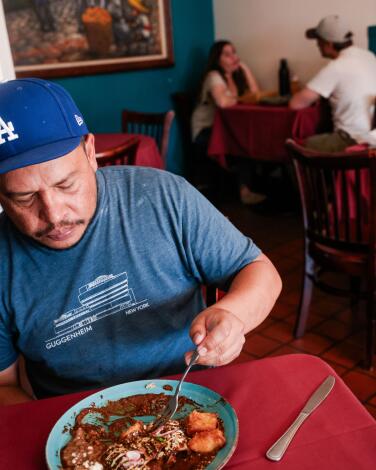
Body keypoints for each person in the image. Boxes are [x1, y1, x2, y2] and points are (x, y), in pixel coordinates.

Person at [0, 78, 282, 405]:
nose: (53, 214)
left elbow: (259, 270)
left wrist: (234, 314)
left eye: (67, 185)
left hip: (191, 399)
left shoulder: (162, 196)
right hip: (75, 423)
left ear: (90, 152)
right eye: (23, 198)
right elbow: (4, 386)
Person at [191, 40, 265, 205]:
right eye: (227, 54)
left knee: (247, 139)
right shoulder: (214, 76)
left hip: (225, 128)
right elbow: (223, 103)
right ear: (217, 59)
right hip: (205, 130)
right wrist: (239, 98)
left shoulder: (234, 76)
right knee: (241, 142)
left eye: (234, 52)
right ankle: (244, 191)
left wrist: (245, 68)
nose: (233, 57)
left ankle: (248, 188)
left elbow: (255, 94)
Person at [289, 14, 376, 152]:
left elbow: (295, 104)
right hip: (371, 137)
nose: (317, 45)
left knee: (296, 147)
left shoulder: (336, 67)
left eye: (319, 41)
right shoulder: (369, 56)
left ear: (328, 44)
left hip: (350, 140)